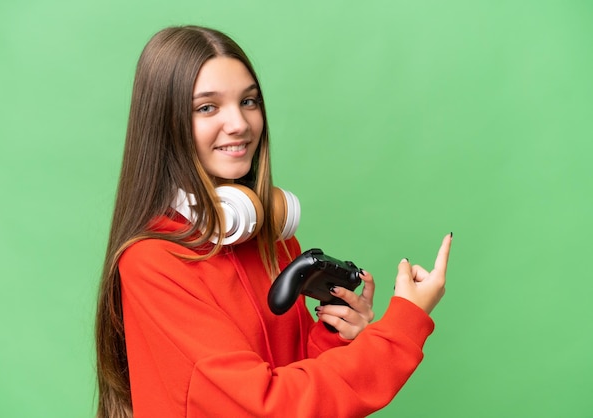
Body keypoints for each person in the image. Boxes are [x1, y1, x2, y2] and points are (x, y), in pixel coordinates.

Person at [95, 25, 452, 418]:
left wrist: (335, 333)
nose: (240, 124)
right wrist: (402, 326)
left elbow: (298, 375)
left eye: (248, 101)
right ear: (165, 124)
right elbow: (269, 406)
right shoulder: (153, 263)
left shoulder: (271, 239)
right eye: (207, 107)